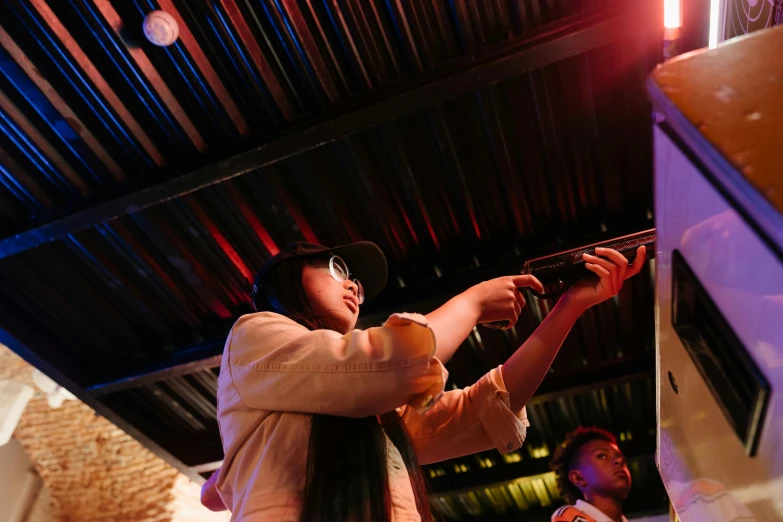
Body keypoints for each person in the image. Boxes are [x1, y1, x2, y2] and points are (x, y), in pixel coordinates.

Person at [201, 240, 647, 521]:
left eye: (356, 278)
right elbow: (387, 362)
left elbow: (482, 408)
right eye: (338, 268)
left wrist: (569, 306)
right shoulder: (255, 334)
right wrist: (470, 303)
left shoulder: (369, 402)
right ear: (287, 279)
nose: (355, 286)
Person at [550, 427, 632, 522]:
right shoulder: (568, 517)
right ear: (578, 478)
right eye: (602, 456)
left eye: (622, 459)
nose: (619, 461)